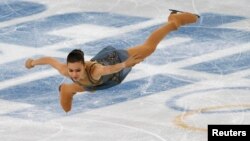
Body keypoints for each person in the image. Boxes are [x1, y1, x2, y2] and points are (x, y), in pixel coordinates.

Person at [25, 10, 199, 112]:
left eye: (77, 70)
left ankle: (174, 21)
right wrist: (32, 63)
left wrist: (125, 64)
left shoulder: (96, 70)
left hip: (114, 62)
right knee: (88, 87)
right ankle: (67, 89)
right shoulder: (66, 70)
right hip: (100, 80)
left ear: (84, 66)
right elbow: (49, 60)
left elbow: (110, 69)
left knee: (148, 48)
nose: (74, 73)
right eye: (71, 71)